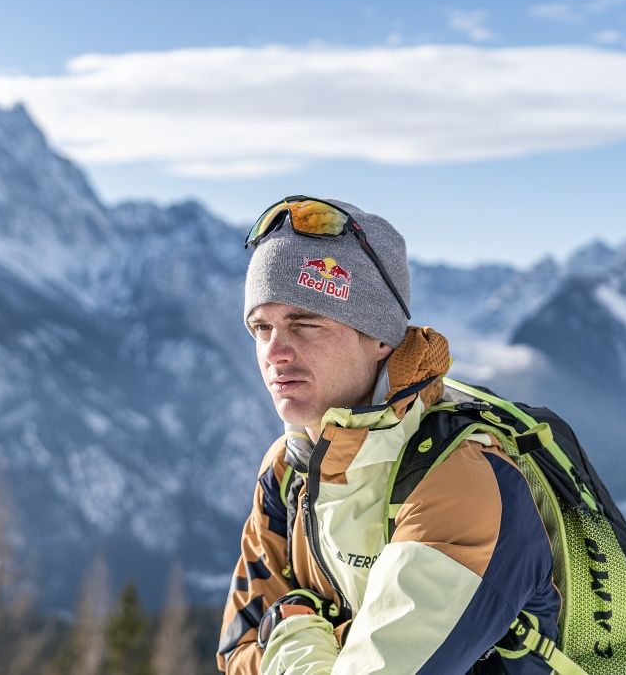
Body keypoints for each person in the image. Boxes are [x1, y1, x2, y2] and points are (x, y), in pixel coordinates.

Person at [217, 196, 559, 674]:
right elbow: (238, 650)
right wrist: (339, 645)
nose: (274, 352)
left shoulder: (460, 479)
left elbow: (270, 634)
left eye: (306, 323)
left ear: (380, 338)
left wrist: (295, 627)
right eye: (261, 327)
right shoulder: (287, 469)